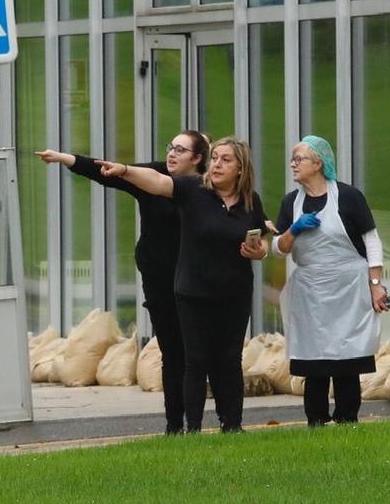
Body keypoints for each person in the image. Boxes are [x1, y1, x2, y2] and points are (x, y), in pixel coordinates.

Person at [35, 131, 209, 434]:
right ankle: (174, 425)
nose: (171, 154)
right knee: (171, 351)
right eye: (171, 147)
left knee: (195, 352)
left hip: (196, 280)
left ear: (197, 158)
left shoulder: (207, 186)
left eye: (180, 150)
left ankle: (200, 423)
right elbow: (109, 172)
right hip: (160, 280)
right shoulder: (152, 175)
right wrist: (66, 159)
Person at [101, 137, 269, 433]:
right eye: (215, 158)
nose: (216, 164)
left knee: (230, 359)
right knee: (196, 359)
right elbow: (156, 181)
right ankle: (192, 427)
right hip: (194, 292)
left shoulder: (250, 201)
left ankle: (232, 424)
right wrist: (125, 170)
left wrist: (261, 250)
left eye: (226, 160)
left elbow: (263, 237)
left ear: (241, 169)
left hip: (234, 292)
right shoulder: (194, 190)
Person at [271, 135, 387, 425]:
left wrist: (375, 286)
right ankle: (316, 422)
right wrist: (294, 230)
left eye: (299, 159)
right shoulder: (291, 203)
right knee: (314, 360)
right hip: (310, 290)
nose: (292, 164)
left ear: (319, 163)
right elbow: (277, 249)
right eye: (292, 159)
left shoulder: (348, 197)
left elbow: (371, 242)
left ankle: (348, 419)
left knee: (348, 357)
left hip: (349, 286)